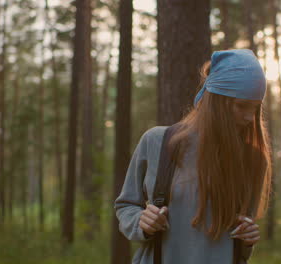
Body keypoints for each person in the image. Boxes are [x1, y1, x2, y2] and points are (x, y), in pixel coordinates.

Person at [115, 49, 272, 264]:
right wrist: (141, 221)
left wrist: (247, 239)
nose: (248, 117)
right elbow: (126, 205)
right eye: (241, 106)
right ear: (216, 100)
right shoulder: (157, 142)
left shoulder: (253, 158)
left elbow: (240, 237)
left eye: (255, 109)